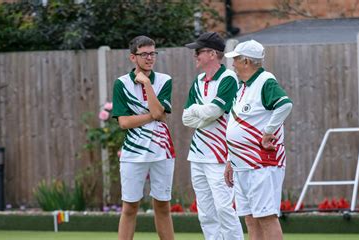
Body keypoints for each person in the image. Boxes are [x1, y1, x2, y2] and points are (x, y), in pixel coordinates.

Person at [223, 40, 293, 240]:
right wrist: (230, 159)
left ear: (246, 61)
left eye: (236, 59)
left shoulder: (265, 80)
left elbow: (284, 105)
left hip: (261, 163)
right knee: (251, 219)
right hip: (242, 164)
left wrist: (269, 131)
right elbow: (236, 124)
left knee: (266, 217)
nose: (233, 64)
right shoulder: (243, 87)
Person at [112, 35, 176, 240]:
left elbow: (160, 112)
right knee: (129, 207)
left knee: (163, 206)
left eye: (152, 53)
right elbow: (124, 123)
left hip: (162, 152)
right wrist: (153, 116)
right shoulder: (121, 84)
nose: (150, 58)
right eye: (144, 54)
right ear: (133, 57)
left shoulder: (165, 80)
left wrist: (147, 83)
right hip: (133, 153)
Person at [182, 32, 244, 240]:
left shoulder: (228, 78)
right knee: (206, 213)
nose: (195, 56)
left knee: (224, 209)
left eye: (198, 52)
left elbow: (215, 112)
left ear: (211, 54)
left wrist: (200, 112)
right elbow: (185, 118)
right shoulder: (198, 81)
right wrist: (205, 112)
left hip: (220, 155)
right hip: (197, 155)